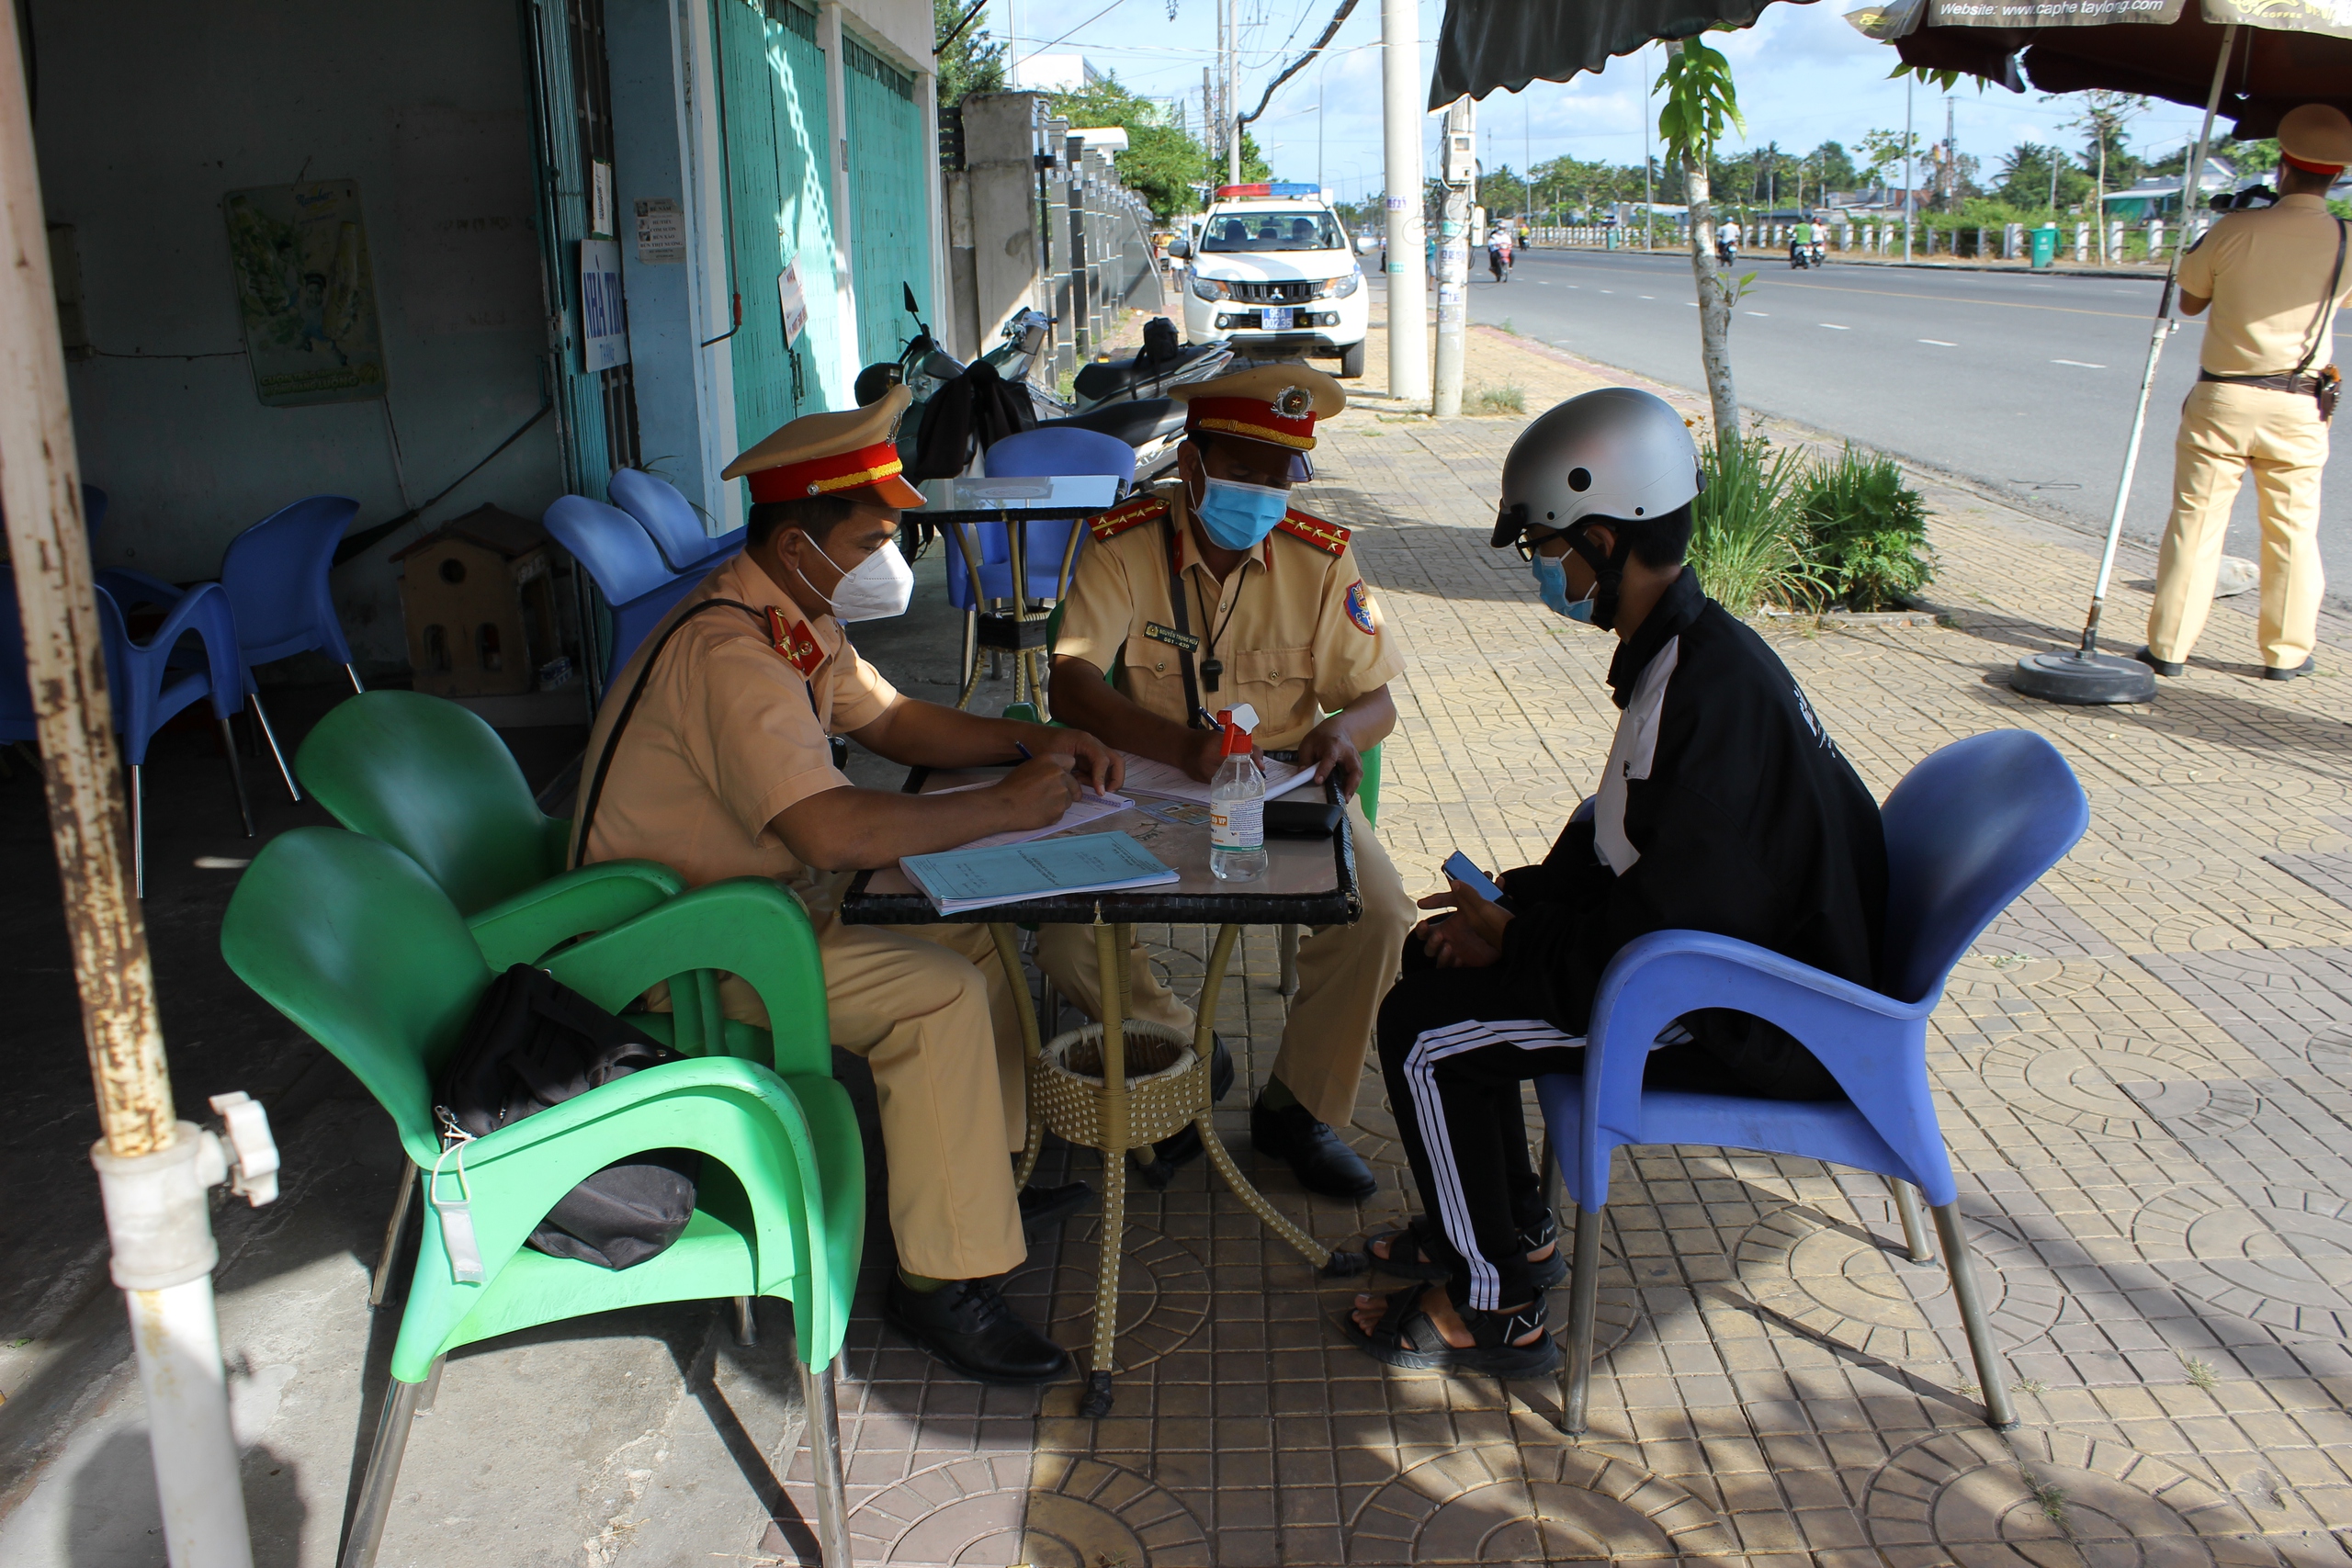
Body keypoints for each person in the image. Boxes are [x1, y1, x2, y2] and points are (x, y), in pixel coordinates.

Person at [573, 387, 1116, 1385]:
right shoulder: (730, 651)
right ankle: (939, 1284)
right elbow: (829, 831)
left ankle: (975, 1183)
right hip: (682, 948)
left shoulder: (792, 617)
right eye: (869, 540)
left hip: (753, 913)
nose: (883, 560)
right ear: (796, 547)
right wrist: (1003, 809)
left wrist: (1032, 739)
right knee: (937, 995)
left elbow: (894, 723)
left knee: (972, 933)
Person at [1340, 388, 1889, 1374]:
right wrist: (1513, 908)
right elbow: (1624, 846)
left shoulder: (1705, 695)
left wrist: (1513, 938)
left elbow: (1659, 930)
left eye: (1546, 550)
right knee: (1436, 976)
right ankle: (1511, 1235)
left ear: (1602, 539)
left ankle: (1495, 1305)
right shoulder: (1684, 655)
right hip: (1706, 956)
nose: (1544, 573)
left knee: (1422, 1035)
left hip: (1744, 1009)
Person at [1043, 364, 1419, 1201]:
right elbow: (1071, 684)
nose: (1263, 489)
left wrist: (1342, 730)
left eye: (1280, 471)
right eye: (1243, 467)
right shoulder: (1122, 542)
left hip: (1283, 783)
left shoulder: (1319, 558)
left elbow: (1377, 699)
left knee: (1384, 912)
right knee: (1064, 935)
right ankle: (1183, 1048)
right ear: (1194, 459)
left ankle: (1297, 1107)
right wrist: (1180, 749)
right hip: (1146, 779)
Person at [2139, 103, 2352, 682]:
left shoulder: (2235, 229)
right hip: (2301, 404)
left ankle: (2169, 649)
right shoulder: (2344, 240)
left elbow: (2189, 299)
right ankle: (2286, 653)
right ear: (2336, 174)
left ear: (2282, 166)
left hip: (2224, 399)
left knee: (2196, 522)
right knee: (2293, 530)